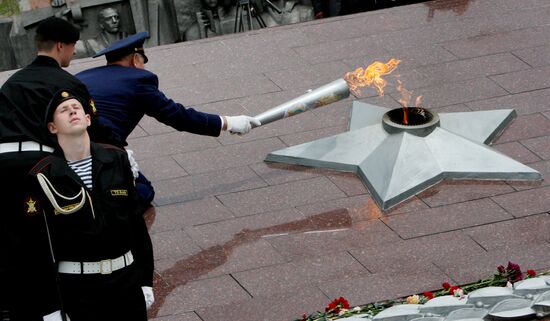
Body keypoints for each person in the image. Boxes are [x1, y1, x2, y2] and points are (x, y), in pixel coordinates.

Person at [0, 17, 114, 320]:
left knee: (12, 236)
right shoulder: (67, 83)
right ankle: (55, 307)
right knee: (47, 237)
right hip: (37, 168)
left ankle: (11, 305)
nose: (73, 54)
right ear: (62, 46)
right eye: (73, 47)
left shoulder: (12, 83)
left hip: (2, 167)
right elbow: (94, 126)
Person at [76, 32, 261, 208]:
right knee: (142, 192)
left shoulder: (82, 77)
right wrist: (227, 122)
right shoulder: (137, 79)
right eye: (143, 60)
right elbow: (178, 116)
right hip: (102, 153)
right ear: (135, 59)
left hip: (64, 148)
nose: (144, 67)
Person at [20, 89, 153, 321]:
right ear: (52, 127)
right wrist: (49, 306)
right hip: (79, 290)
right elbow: (35, 247)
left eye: (76, 108)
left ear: (88, 119)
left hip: (126, 283)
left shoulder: (116, 159)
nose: (72, 110)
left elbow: (136, 226)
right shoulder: (42, 175)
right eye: (63, 110)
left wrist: (145, 281)